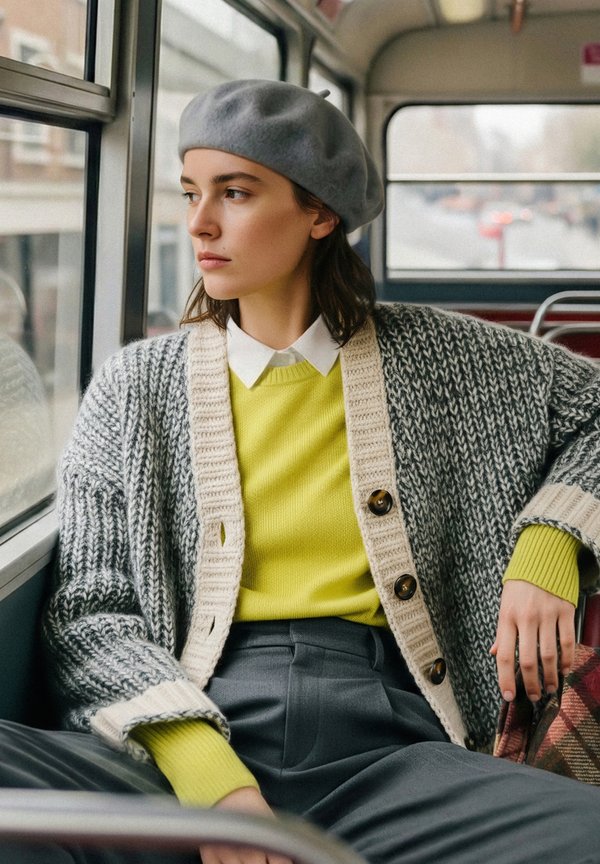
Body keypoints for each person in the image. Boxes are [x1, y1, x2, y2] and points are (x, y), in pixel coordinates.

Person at [0, 78, 599, 864]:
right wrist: (214, 783)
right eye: (190, 193)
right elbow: (88, 612)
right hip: (176, 737)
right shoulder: (133, 387)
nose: (200, 223)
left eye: (235, 192)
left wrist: (550, 542)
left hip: (388, 748)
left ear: (321, 213)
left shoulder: (447, 359)